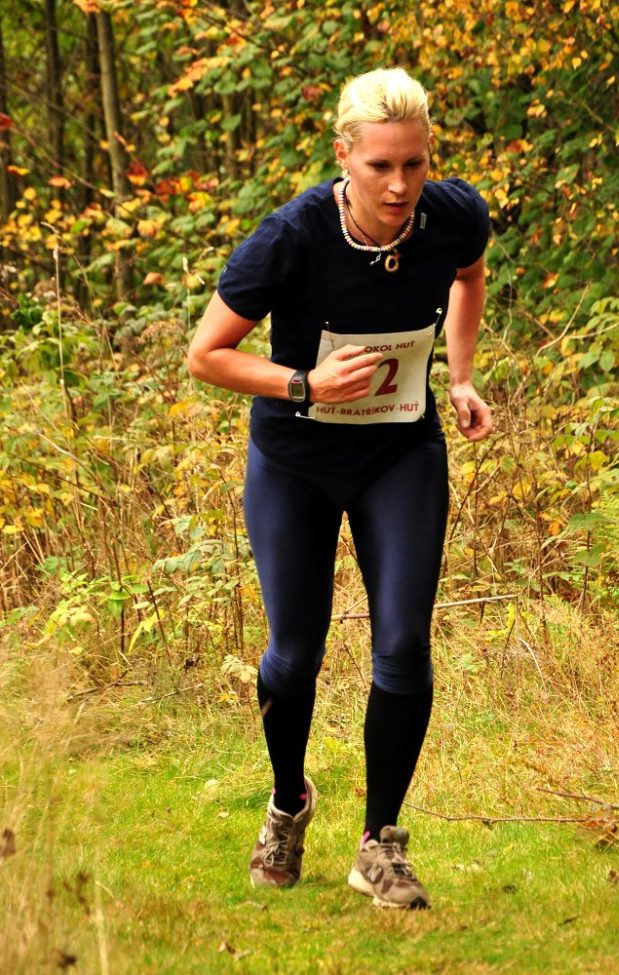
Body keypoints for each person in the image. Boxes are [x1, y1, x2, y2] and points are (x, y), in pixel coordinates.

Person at [187, 66, 492, 910]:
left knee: (402, 647)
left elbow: (469, 274)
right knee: (295, 656)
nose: (400, 186)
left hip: (400, 453)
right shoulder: (290, 237)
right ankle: (288, 803)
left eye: (415, 164)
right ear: (344, 156)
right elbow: (208, 353)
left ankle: (380, 845)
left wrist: (459, 376)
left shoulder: (452, 214)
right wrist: (304, 385)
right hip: (297, 460)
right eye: (380, 167)